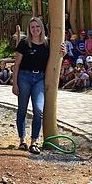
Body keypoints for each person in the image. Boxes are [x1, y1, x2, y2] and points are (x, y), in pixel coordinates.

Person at [12, 17, 66, 154]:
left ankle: (34, 141)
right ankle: (22, 140)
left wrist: (63, 53)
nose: (35, 29)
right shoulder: (24, 43)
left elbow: (57, 56)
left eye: (37, 27)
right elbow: (16, 64)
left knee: (38, 109)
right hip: (24, 77)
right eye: (32, 27)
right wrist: (15, 83)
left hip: (39, 78)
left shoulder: (48, 43)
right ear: (29, 29)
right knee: (22, 109)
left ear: (41, 27)